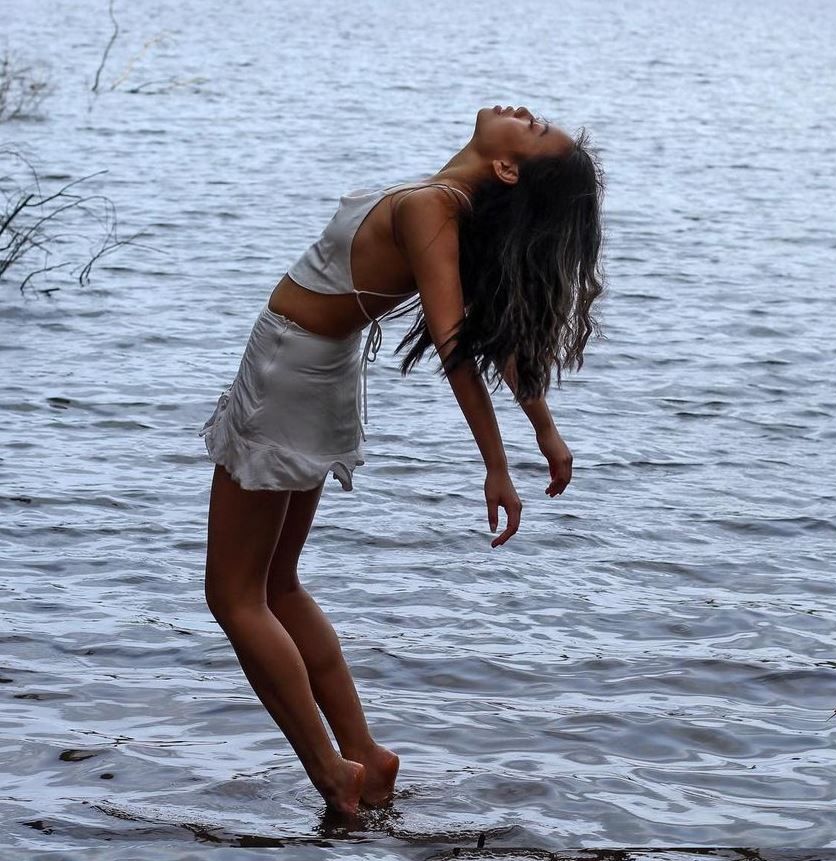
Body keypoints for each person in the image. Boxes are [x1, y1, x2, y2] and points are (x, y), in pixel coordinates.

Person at [198, 104, 605, 815]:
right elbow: (490, 335)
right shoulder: (445, 208)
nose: (526, 113)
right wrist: (545, 431)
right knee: (278, 584)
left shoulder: (431, 208)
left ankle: (334, 775)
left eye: (536, 129)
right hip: (314, 372)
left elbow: (457, 349)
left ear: (507, 168)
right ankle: (367, 757)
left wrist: (500, 462)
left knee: (234, 596)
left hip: (290, 374)